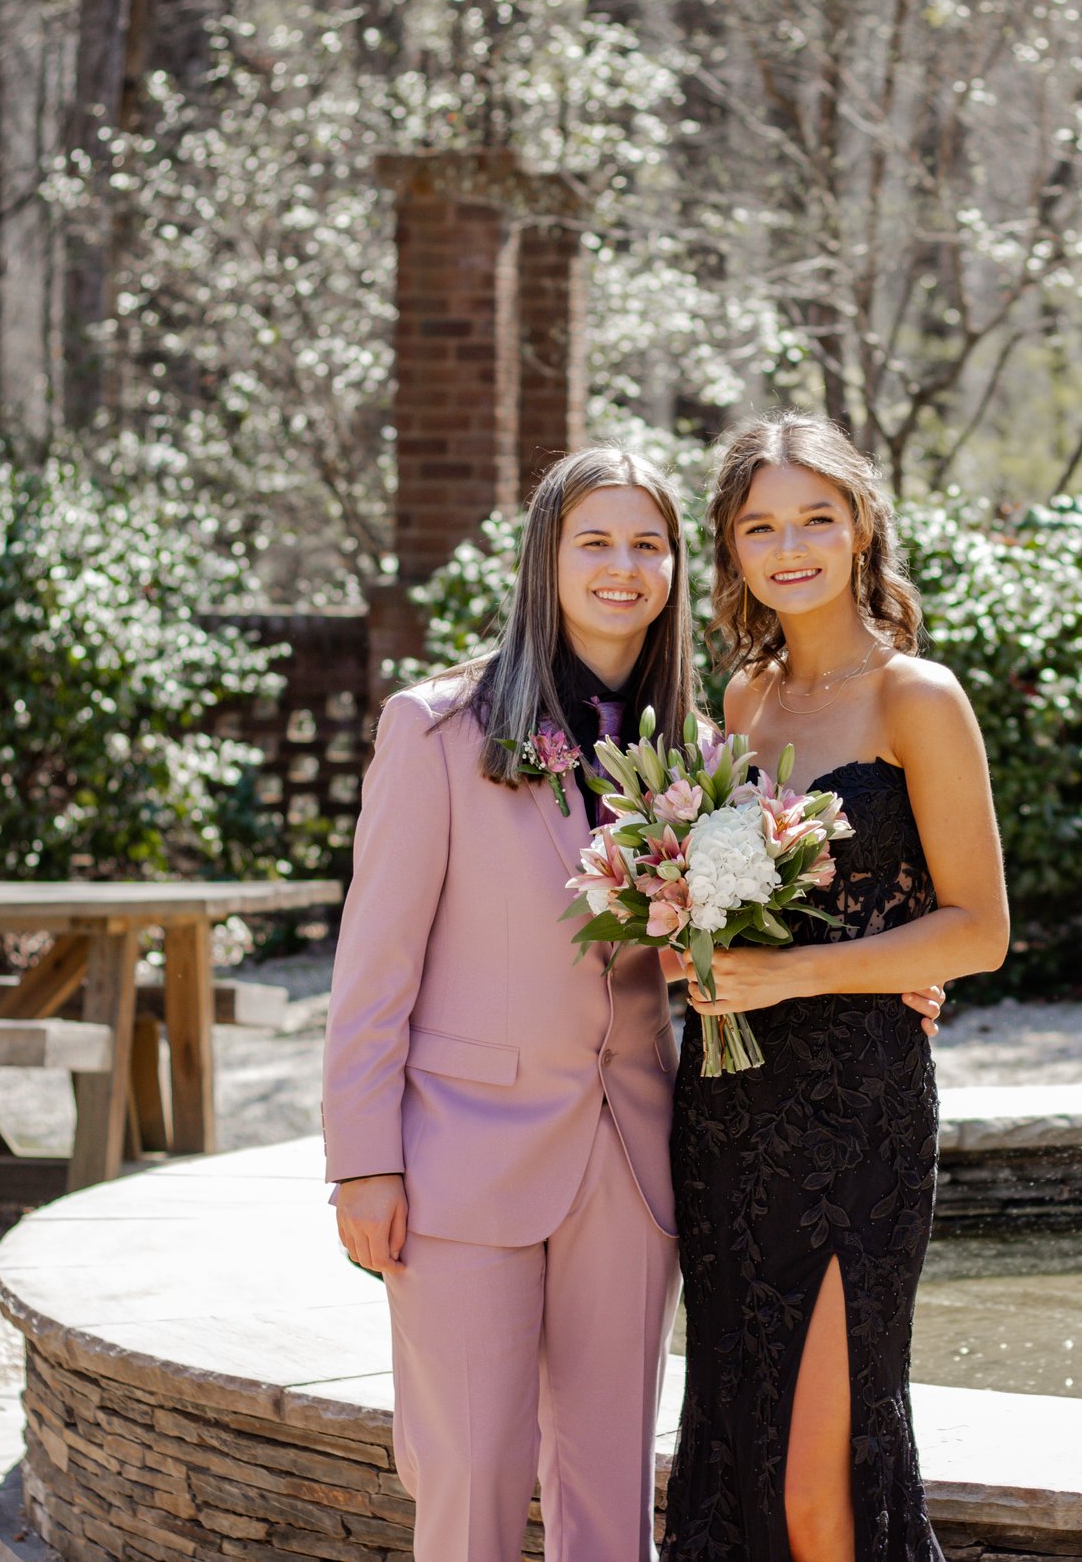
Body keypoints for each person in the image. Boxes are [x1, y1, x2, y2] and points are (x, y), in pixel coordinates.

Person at [320, 445, 698, 1562]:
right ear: (546, 555)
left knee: (610, 1486)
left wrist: (880, 975)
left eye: (648, 543)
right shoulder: (436, 728)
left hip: (630, 1158)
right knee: (473, 1472)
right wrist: (363, 1160)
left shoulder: (695, 748)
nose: (623, 566)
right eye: (596, 541)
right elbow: (374, 964)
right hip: (459, 1152)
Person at [664, 414, 1010, 1562]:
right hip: (726, 1109)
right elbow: (717, 902)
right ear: (732, 545)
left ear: (861, 524)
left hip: (856, 1110)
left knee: (821, 1487)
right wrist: (688, 947)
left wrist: (793, 974)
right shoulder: (741, 700)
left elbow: (979, 929)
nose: (791, 545)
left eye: (815, 516)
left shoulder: (919, 695)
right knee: (737, 1447)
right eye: (761, 525)